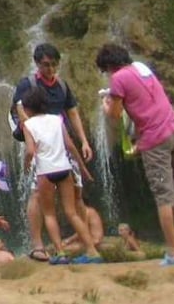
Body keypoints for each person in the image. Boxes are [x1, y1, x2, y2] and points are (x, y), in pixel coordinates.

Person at [95, 44, 174, 266]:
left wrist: (106, 105)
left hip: (156, 140)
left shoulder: (118, 78)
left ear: (109, 66)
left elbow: (115, 114)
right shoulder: (142, 67)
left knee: (165, 197)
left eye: (105, 70)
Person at [12, 43, 93, 262]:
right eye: (46, 65)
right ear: (37, 64)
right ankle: (39, 246)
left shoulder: (62, 87)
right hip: (42, 148)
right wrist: (34, 132)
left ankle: (87, 244)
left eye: (54, 64)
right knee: (37, 195)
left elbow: (73, 113)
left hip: (62, 144)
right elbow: (18, 110)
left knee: (77, 196)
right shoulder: (27, 84)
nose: (50, 69)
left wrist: (84, 141)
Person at [21, 86, 100, 265]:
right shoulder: (57, 119)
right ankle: (92, 251)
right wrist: (84, 169)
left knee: (49, 214)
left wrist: (26, 164)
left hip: (45, 172)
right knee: (71, 212)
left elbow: (30, 151)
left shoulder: (28, 125)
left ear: (29, 107)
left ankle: (60, 253)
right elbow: (70, 146)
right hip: (65, 169)